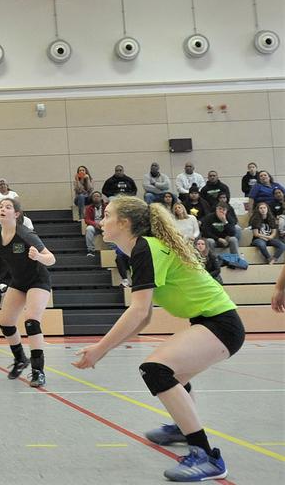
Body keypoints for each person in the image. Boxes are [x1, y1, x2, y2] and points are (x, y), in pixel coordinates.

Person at [73, 196, 243, 482]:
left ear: (124, 223)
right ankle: (182, 425)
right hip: (210, 322)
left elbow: (138, 311)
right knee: (170, 372)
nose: (101, 221)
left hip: (222, 324)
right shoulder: (142, 249)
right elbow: (146, 316)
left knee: (155, 370)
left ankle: (206, 456)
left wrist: (101, 349)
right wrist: (106, 348)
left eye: (108, 215)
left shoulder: (145, 248)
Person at [0, 198, 55, 387]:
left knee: (31, 321)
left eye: (8, 207)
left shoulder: (25, 235)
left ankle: (38, 371)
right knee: (5, 324)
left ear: (16, 214)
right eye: (0, 207)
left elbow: (51, 258)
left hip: (38, 280)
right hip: (19, 282)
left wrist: (38, 256)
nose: (2, 209)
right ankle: (20, 358)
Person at [84, 191, 108, 257]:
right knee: (89, 229)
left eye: (98, 196)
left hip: (104, 226)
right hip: (94, 227)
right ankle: (91, 250)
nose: (96, 198)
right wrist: (95, 224)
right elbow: (87, 219)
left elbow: (110, 218)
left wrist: (102, 224)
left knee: (110, 231)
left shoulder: (107, 207)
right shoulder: (89, 208)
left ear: (101, 198)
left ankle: (113, 249)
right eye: (94, 196)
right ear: (92, 198)